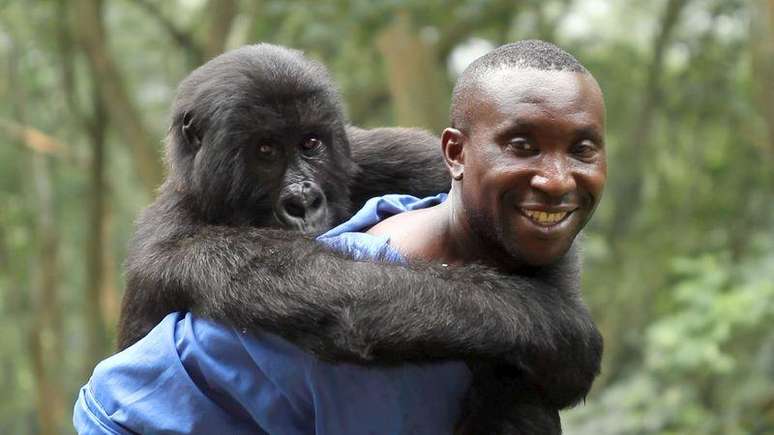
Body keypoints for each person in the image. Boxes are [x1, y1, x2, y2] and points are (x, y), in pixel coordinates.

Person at [74, 40, 606, 434]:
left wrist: (547, 333)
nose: (301, 192)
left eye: (311, 145)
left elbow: (525, 217)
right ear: (196, 143)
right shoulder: (180, 245)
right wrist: (543, 319)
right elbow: (347, 314)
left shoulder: (384, 161)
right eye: (265, 155)